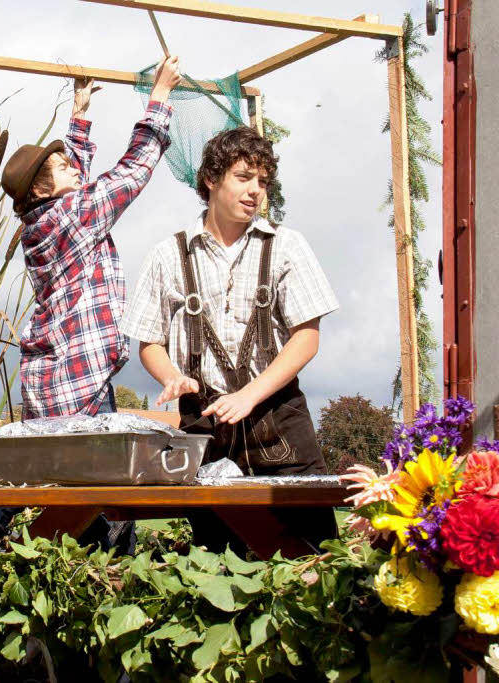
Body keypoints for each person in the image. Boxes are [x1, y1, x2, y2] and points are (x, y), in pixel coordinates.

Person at [120, 125, 340, 556]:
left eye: (263, 181)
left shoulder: (286, 246)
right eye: (244, 177)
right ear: (211, 180)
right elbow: (149, 341)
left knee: (314, 566)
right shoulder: (169, 254)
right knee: (218, 572)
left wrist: (249, 396)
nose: (256, 190)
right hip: (206, 432)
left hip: (280, 430)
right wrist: (173, 377)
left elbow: (306, 338)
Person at [1, 55, 182, 419]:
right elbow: (132, 172)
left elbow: (72, 182)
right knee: (90, 475)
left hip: (48, 382)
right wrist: (159, 96)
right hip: (82, 387)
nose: (74, 170)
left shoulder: (39, 225)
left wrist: (79, 114)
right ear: (39, 190)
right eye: (63, 168)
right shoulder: (74, 214)